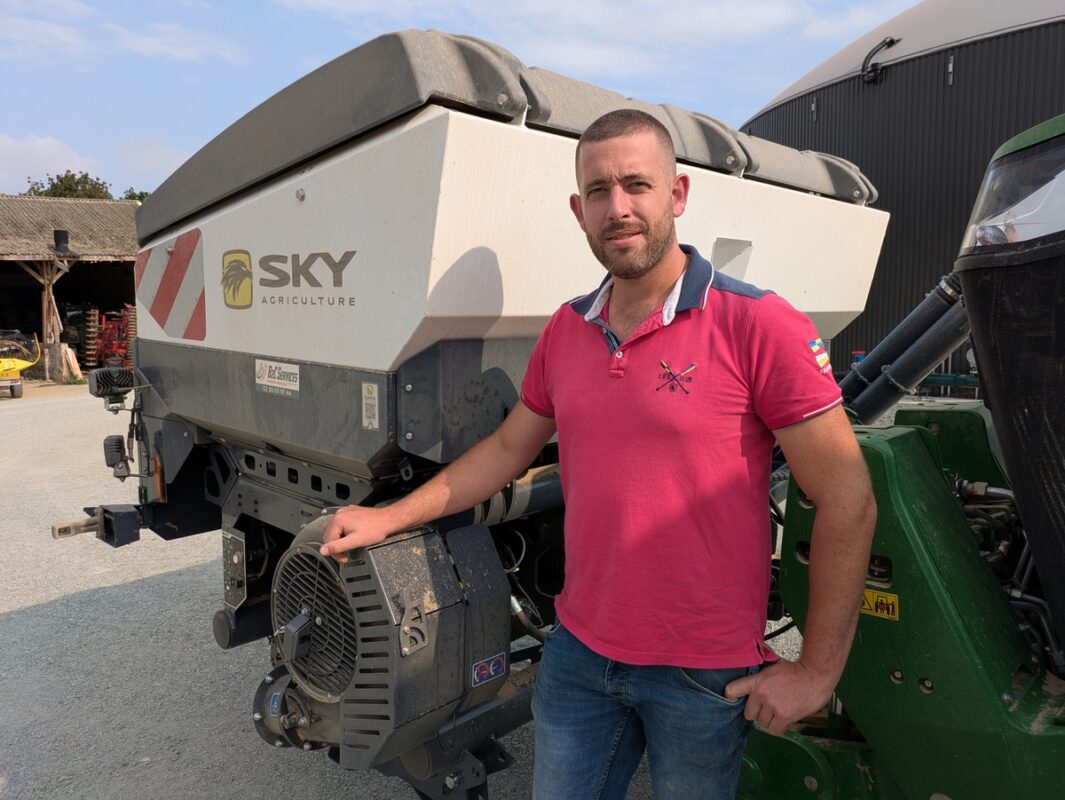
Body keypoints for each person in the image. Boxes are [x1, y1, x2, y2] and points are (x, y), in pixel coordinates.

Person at [320, 109, 876, 799]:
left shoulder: (757, 323)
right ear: (578, 210)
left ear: (677, 195)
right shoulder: (565, 329)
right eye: (599, 191)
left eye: (637, 185)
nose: (619, 208)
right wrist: (389, 517)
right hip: (580, 658)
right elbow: (506, 450)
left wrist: (817, 672)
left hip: (703, 675)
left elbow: (847, 497)